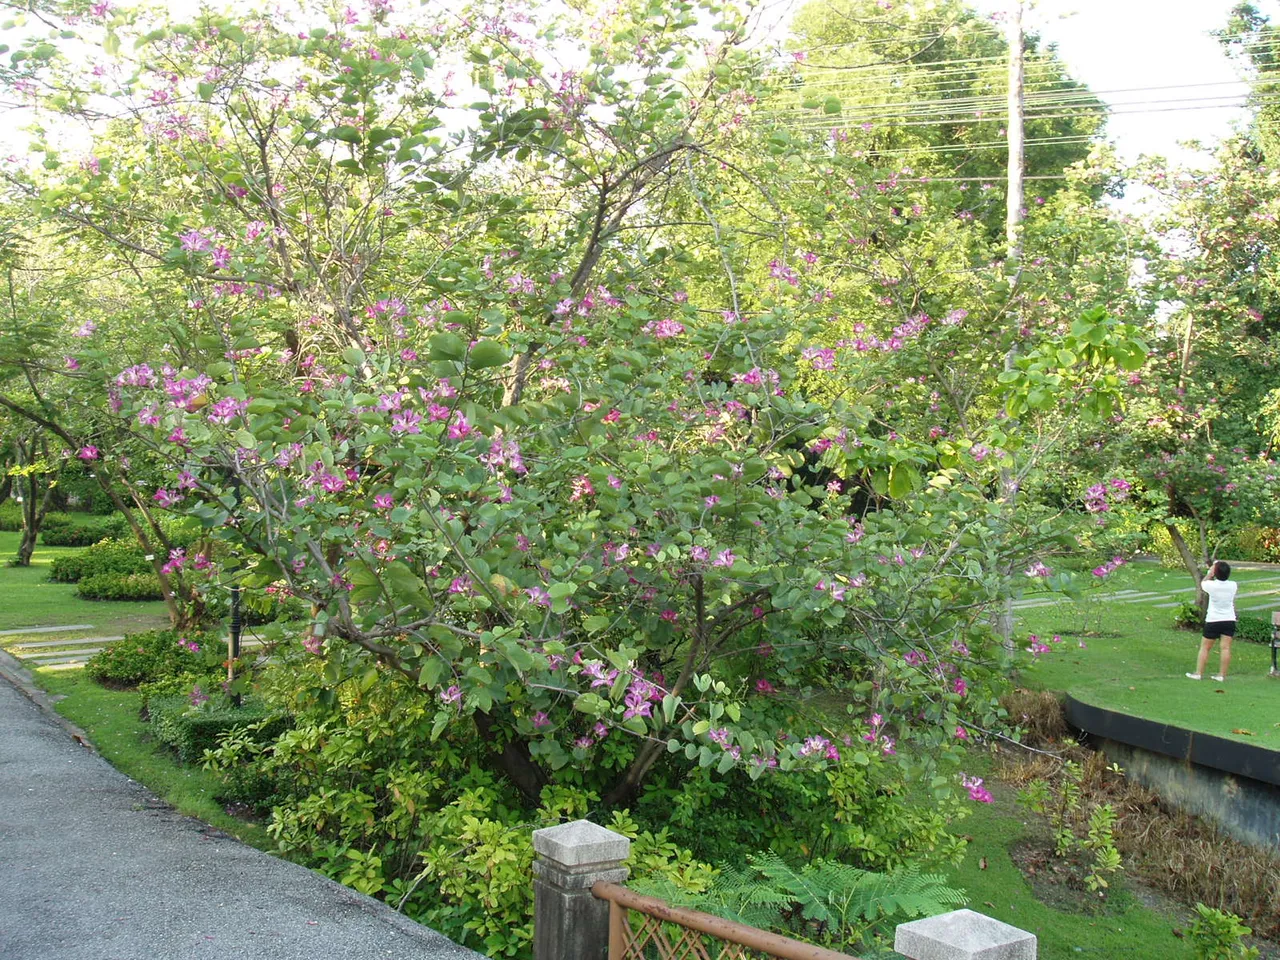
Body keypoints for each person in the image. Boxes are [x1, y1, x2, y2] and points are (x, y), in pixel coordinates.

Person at [1186, 560, 1237, 683]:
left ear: (1216, 573)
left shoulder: (1211, 585)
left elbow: (1202, 583)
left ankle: (1198, 673)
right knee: (1225, 648)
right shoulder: (1233, 585)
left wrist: (1209, 573)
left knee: (1205, 648)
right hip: (1229, 619)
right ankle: (1221, 675)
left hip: (1214, 620)